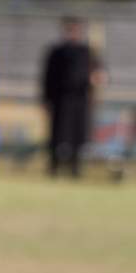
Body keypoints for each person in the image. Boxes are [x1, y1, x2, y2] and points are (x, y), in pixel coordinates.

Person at [41, 16, 105, 178]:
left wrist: (98, 78)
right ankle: (54, 167)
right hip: (60, 99)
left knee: (78, 134)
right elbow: (47, 77)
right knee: (58, 134)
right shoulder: (56, 52)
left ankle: (75, 168)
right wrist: (46, 98)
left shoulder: (88, 52)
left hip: (81, 99)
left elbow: (100, 74)